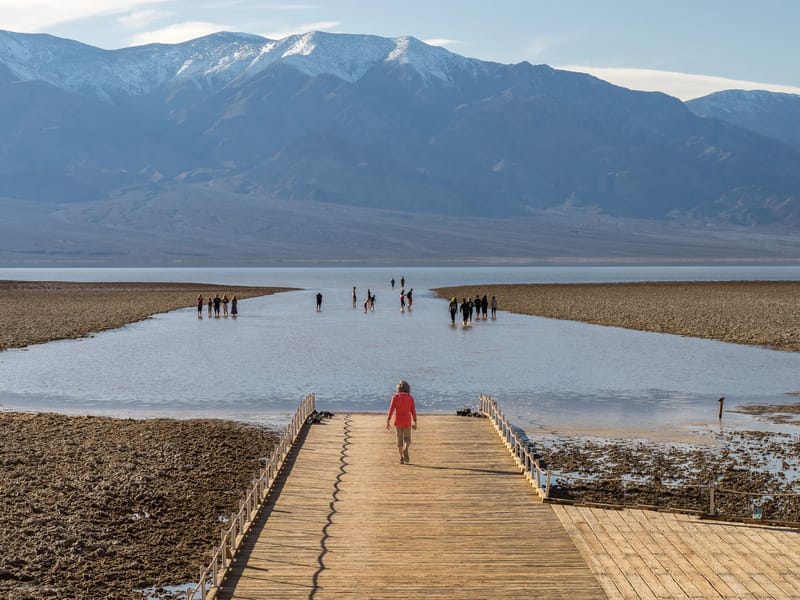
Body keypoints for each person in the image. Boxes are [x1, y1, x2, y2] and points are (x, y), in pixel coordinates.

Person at [386, 380, 417, 464]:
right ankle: (405, 448)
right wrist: (415, 421)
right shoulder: (410, 398)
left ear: (399, 388)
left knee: (399, 441)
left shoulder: (395, 397)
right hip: (407, 421)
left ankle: (401, 458)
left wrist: (388, 420)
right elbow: (413, 410)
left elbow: (391, 409)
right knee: (407, 439)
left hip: (398, 421)